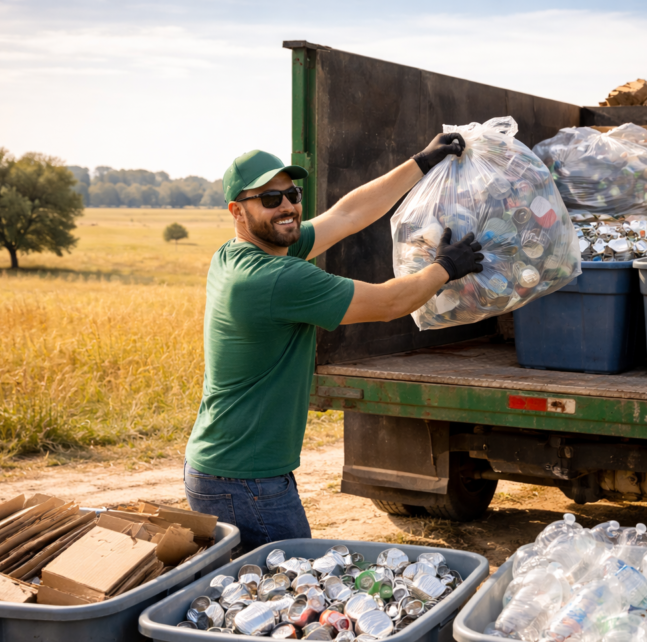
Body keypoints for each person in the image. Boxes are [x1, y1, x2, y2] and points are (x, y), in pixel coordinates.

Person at [183, 133, 481, 552]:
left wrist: (420, 162)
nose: (287, 207)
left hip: (229, 470)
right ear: (237, 211)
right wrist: (445, 268)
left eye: (292, 194)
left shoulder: (238, 254)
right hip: (246, 481)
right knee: (285, 596)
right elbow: (390, 302)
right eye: (270, 199)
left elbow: (347, 214)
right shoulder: (276, 279)